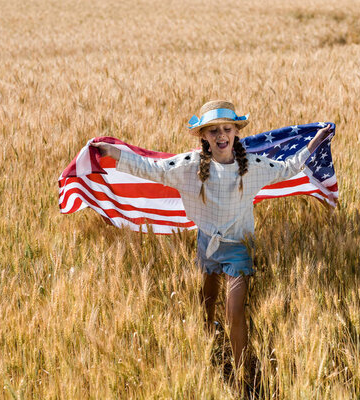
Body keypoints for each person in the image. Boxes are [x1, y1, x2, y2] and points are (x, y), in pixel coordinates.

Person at [90, 100, 332, 371]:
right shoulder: (189, 166)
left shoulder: (252, 166)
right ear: (203, 136)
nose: (221, 135)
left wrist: (314, 143)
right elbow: (152, 169)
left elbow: (288, 168)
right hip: (207, 244)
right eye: (213, 130)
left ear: (235, 132)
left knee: (234, 313)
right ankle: (207, 356)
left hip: (239, 248)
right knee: (206, 305)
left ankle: (242, 372)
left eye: (227, 129)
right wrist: (113, 152)